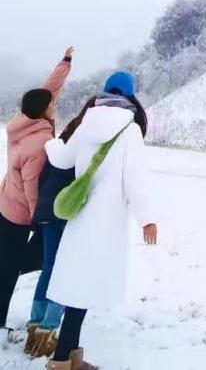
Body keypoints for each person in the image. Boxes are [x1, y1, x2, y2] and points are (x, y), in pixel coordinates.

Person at [44, 71, 157, 370]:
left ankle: (69, 356)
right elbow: (136, 181)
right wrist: (147, 219)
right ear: (130, 96)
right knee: (83, 290)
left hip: (80, 218)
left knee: (78, 289)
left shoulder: (86, 123)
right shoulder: (129, 130)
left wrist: (49, 143)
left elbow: (62, 160)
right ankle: (60, 361)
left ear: (105, 91)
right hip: (106, 224)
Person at [0, 47, 73, 346]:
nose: (54, 107)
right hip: (19, 214)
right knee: (11, 268)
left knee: (7, 263)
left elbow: (46, 90)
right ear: (43, 110)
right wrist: (36, 220)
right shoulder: (40, 142)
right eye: (51, 106)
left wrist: (64, 64)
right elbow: (32, 186)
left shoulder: (21, 121)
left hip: (4, 202)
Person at [23, 108, 85, 358]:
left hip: (47, 213)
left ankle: (35, 328)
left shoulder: (57, 147)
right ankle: (48, 331)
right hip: (66, 214)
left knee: (49, 268)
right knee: (64, 270)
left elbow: (42, 179)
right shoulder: (83, 151)